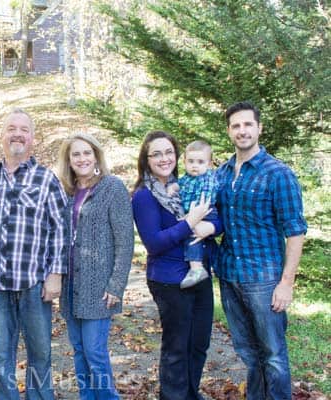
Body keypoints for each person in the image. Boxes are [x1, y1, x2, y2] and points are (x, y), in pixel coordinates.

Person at [215, 102, 307, 400]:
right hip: (230, 275)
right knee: (247, 352)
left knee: (274, 354)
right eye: (236, 126)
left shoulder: (278, 174)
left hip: (264, 279)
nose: (242, 131)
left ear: (259, 128)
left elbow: (295, 230)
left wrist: (286, 283)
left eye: (247, 124)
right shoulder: (222, 173)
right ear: (229, 131)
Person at [0, 108, 68, 399]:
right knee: (1, 356)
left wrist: (55, 274)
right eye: (11, 128)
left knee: (40, 355)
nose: (17, 133)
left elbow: (62, 229)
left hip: (33, 284)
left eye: (24, 129)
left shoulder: (46, 180)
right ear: (2, 136)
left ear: (33, 139)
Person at [131, 131, 222, 400]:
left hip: (200, 274)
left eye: (168, 152)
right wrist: (189, 223)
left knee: (199, 344)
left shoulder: (188, 185)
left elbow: (217, 217)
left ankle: (191, 394)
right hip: (169, 280)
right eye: (156, 153)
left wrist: (210, 226)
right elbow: (154, 243)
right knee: (176, 348)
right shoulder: (144, 196)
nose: (164, 158)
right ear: (146, 160)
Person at [56, 133, 134, 399]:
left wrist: (116, 285)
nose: (82, 158)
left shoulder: (112, 187)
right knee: (78, 350)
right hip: (71, 286)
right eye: (76, 154)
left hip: (99, 286)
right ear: (68, 160)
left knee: (95, 352)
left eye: (87, 153)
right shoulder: (65, 191)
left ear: (96, 156)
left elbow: (125, 242)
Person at [167, 140, 219, 289]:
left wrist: (191, 217)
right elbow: (180, 183)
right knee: (201, 239)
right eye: (190, 161)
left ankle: (196, 268)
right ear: (184, 162)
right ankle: (215, 263)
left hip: (206, 211)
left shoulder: (208, 178)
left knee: (191, 236)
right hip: (194, 212)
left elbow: (206, 198)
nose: (195, 165)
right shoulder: (188, 178)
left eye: (200, 162)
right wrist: (173, 187)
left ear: (209, 164)